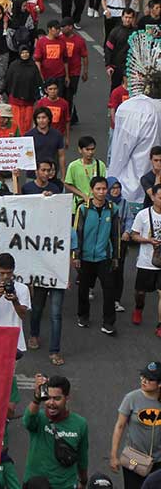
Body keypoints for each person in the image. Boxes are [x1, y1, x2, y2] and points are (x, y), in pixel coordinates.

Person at [73, 176, 121, 336]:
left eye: (104, 189)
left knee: (109, 289)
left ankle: (108, 323)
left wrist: (115, 256)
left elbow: (116, 234)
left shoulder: (113, 209)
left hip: (104, 257)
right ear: (92, 190)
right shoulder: (83, 209)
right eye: (98, 189)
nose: (101, 192)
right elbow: (77, 233)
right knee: (83, 289)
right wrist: (76, 255)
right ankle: (83, 316)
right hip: (85, 257)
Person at [24, 374, 88, 488]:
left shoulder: (80, 424)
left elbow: (82, 458)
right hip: (36, 484)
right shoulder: (39, 418)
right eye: (48, 397)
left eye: (57, 398)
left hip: (65, 485)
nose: (51, 403)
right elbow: (27, 421)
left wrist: (83, 481)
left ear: (67, 398)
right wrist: (37, 398)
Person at [109, 361, 161, 487]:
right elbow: (119, 426)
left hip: (159, 461)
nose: (144, 380)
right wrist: (113, 455)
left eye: (149, 379)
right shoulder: (131, 398)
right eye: (143, 376)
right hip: (134, 459)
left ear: (160, 384)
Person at [0, 253, 31, 353]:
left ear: (13, 270)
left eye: (9, 273)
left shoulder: (23, 289)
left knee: (13, 369)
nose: (5, 276)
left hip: (15, 341)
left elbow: (23, 315)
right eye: (2, 273)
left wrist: (15, 301)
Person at [129, 183, 161, 331]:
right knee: (140, 292)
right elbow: (134, 235)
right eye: (160, 197)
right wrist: (148, 240)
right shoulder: (143, 214)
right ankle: (138, 308)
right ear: (153, 197)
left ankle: (160, 326)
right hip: (146, 262)